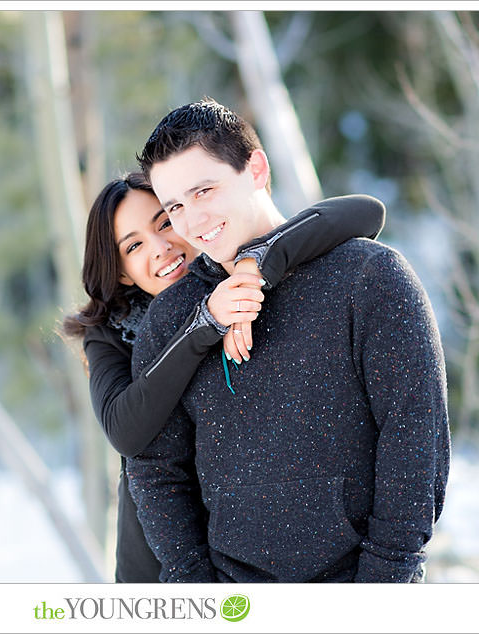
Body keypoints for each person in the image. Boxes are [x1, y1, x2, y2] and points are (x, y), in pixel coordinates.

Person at [126, 98, 451, 583]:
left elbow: (414, 438)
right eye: (175, 206)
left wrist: (386, 582)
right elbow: (157, 471)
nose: (191, 222)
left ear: (255, 169)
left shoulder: (368, 277)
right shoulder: (174, 317)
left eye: (204, 191)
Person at [63, 171, 387, 582]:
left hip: (256, 550)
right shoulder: (113, 331)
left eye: (164, 222)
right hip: (163, 560)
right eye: (134, 245)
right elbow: (124, 429)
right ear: (123, 271)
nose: (161, 248)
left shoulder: (240, 274)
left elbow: (365, 212)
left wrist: (258, 262)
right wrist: (204, 324)